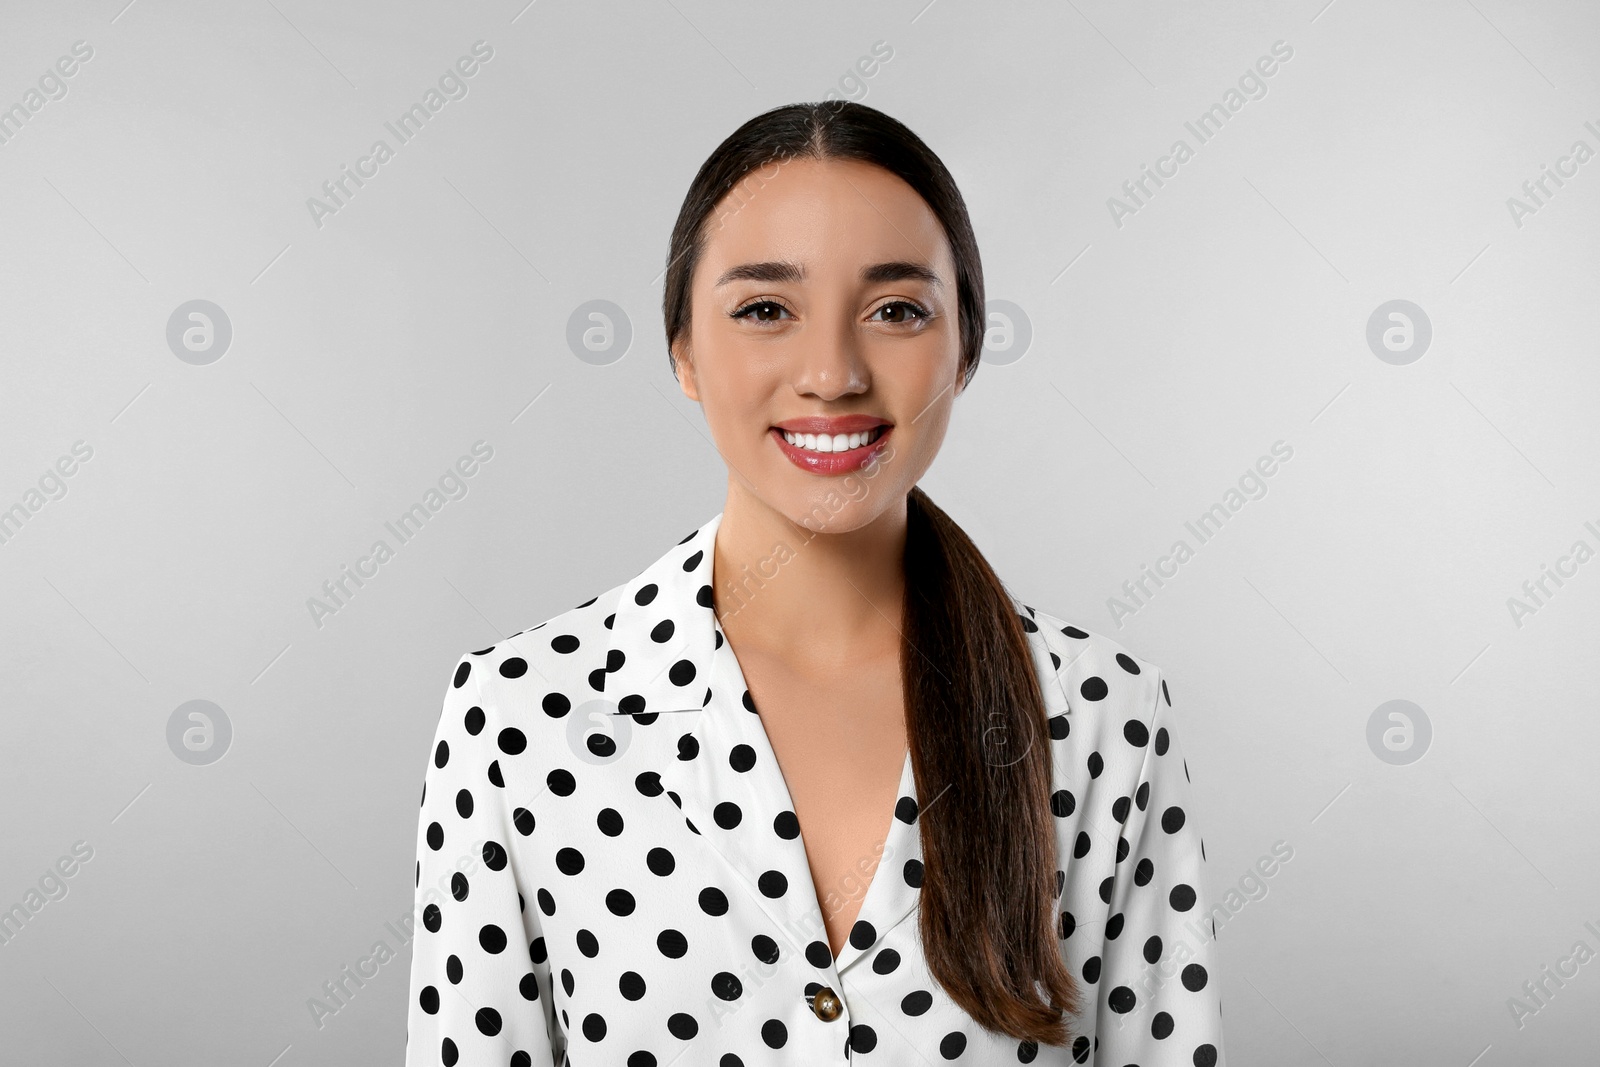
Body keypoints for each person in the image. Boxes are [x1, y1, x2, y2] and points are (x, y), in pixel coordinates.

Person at [403, 100, 1224, 1065]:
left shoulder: (1101, 716)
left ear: (964, 348)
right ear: (682, 353)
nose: (831, 373)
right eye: (764, 310)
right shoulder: (517, 716)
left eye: (896, 310)